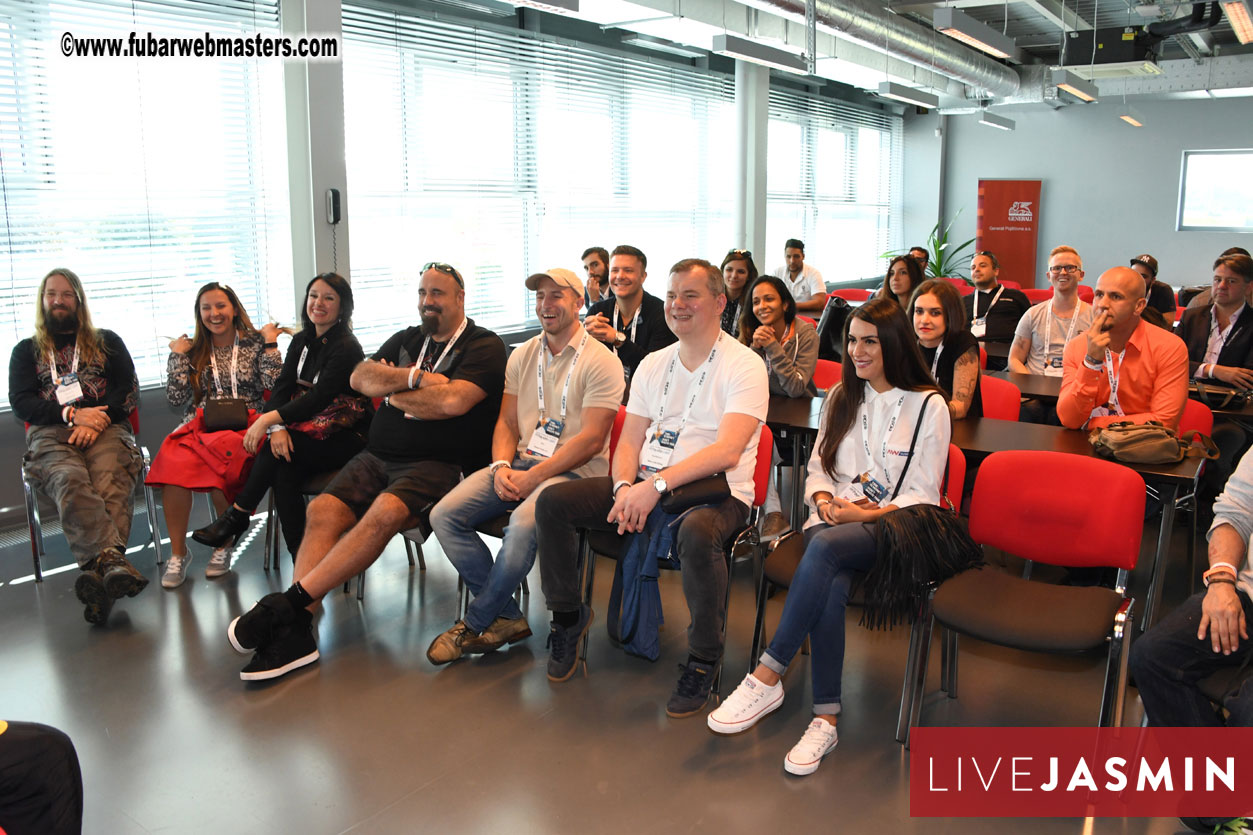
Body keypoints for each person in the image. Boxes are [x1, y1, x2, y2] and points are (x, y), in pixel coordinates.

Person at [225, 262, 506, 681]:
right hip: (377, 455)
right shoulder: (409, 338)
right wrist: (414, 378)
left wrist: (393, 396)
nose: (427, 301)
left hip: (438, 464)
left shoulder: (483, 345)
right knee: (322, 511)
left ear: (460, 298)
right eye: (422, 292)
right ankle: (298, 630)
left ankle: (287, 606)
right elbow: (360, 377)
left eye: (437, 293)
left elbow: (453, 403)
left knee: (383, 515)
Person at [707, 297, 950, 776]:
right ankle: (826, 719)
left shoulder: (929, 405)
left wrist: (863, 513)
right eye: (852, 341)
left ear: (895, 344)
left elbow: (923, 492)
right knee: (829, 577)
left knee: (823, 548)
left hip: (896, 527)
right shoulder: (841, 396)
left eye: (870, 342)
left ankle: (768, 673)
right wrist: (822, 502)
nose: (857, 351)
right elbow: (818, 471)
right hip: (833, 522)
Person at [533, 258, 768, 717]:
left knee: (697, 533)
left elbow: (727, 452)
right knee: (554, 502)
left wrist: (654, 486)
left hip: (717, 492)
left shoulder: (744, 364)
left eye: (690, 296)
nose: (677, 305)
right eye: (673, 295)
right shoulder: (653, 363)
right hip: (646, 482)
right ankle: (568, 617)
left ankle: (703, 658)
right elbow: (629, 439)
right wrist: (625, 486)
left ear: (720, 303)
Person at [426, 268, 623, 664]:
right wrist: (501, 465)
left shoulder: (602, 361)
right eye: (539, 297)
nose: (546, 305)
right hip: (520, 462)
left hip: (574, 474)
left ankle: (475, 621)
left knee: (520, 527)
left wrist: (535, 476)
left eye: (556, 296)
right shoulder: (522, 354)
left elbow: (591, 441)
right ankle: (507, 617)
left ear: (578, 302)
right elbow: (506, 422)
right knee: (443, 515)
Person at [191, 273, 371, 560]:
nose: (318, 303)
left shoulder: (347, 346)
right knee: (282, 467)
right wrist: (277, 428)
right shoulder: (301, 340)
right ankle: (302, 557)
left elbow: (318, 398)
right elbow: (282, 388)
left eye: (329, 298)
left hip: (346, 435)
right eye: (313, 296)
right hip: (311, 430)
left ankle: (238, 515)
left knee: (277, 457)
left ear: (343, 306)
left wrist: (267, 420)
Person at [8, 268, 146, 625]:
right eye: (51, 294)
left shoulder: (107, 341)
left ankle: (100, 579)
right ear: (42, 300)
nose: (58, 300)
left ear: (78, 300)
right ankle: (112, 564)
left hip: (105, 427)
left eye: (66, 294)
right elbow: (21, 402)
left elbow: (128, 390)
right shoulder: (26, 351)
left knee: (111, 478)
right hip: (51, 432)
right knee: (69, 479)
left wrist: (96, 419)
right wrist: (71, 414)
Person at [1129, 448, 1253, 833]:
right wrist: (1222, 581)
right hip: (1248, 595)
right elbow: (1236, 512)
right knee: (1153, 656)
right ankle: (1224, 799)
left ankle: (1224, 804)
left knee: (1248, 708)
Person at [145, 283, 282, 588]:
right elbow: (176, 399)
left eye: (220, 306)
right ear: (199, 313)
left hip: (247, 423)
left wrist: (271, 344)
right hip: (203, 423)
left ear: (234, 308)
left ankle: (223, 544)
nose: (214, 313)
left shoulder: (255, 342)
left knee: (224, 462)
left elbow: (276, 384)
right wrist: (177, 358)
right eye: (206, 308)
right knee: (172, 462)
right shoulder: (194, 349)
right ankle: (178, 554)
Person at [1057, 267, 1189, 432]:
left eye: (1116, 297)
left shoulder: (1169, 347)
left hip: (1144, 444)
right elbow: (1069, 419)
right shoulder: (1077, 346)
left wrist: (1092, 424)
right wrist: (1091, 364)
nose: (1103, 304)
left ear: (1139, 306)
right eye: (1099, 295)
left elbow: (1163, 422)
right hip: (1087, 443)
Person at [739, 274, 820, 538]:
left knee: (759, 435)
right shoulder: (749, 332)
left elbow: (796, 387)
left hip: (798, 420)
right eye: (756, 301)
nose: (761, 306)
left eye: (769, 299)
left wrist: (773, 347)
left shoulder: (806, 334)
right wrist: (753, 350)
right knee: (753, 432)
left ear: (785, 304)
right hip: (763, 413)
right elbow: (741, 382)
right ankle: (769, 513)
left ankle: (772, 513)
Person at [1177, 253, 1253, 509]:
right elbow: (1173, 362)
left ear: (1248, 286)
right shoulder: (1192, 317)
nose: (1221, 286)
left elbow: (1247, 376)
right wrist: (1215, 371)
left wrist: (1197, 369)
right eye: (1217, 279)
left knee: (1225, 440)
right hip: (1186, 399)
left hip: (1232, 411)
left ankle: (1205, 504)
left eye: (1231, 281)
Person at [1009, 246, 1094, 424]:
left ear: (1081, 275)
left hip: (1073, 392)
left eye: (1070, 268)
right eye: (1056, 268)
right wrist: (1032, 384)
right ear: (1049, 276)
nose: (1063, 272)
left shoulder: (1094, 317)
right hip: (1034, 394)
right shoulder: (1032, 314)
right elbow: (1014, 359)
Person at [583, 244, 676, 391]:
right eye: (615, 270)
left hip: (649, 395)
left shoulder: (661, 313)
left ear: (643, 276)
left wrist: (617, 339)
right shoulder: (597, 311)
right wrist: (584, 338)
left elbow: (657, 368)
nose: (620, 276)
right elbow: (585, 365)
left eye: (628, 270)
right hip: (604, 394)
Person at [910, 279, 982, 419]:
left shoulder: (963, 342)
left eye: (935, 313)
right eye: (919, 311)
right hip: (913, 424)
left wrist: (918, 411)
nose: (924, 320)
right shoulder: (906, 343)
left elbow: (960, 408)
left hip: (957, 426)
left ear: (950, 316)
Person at [962, 251, 1030, 371]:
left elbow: (1030, 328)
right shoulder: (963, 301)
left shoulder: (1016, 297)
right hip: (970, 356)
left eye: (982, 266)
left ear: (996, 271)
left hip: (1007, 357)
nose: (976, 270)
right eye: (973, 267)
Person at [772, 238, 827, 313]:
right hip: (782, 315)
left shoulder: (814, 274)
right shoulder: (777, 273)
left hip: (807, 317)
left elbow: (819, 303)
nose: (792, 261)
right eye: (788, 256)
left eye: (796, 256)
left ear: (803, 256)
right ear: (784, 256)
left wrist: (791, 306)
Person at [1130, 254, 1177, 327]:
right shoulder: (1120, 289)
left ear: (1153, 280)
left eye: (1143, 276)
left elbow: (1168, 325)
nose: (1137, 278)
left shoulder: (1163, 290)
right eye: (1134, 274)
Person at [720, 249, 757, 336]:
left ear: (749, 276)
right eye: (729, 270)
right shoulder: (712, 299)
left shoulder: (753, 303)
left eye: (740, 271)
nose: (734, 276)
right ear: (722, 272)